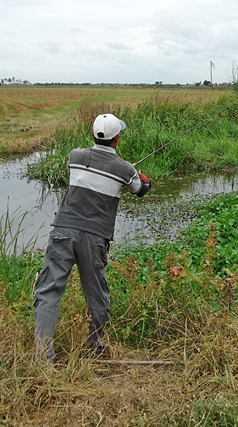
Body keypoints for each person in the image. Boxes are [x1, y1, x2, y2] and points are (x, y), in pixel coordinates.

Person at [33, 113, 152, 363]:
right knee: (96, 293)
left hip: (62, 230)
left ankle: (43, 358)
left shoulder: (74, 156)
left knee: (48, 291)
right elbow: (140, 190)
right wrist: (143, 179)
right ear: (117, 138)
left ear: (93, 135)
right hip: (95, 237)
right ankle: (95, 345)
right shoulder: (125, 169)